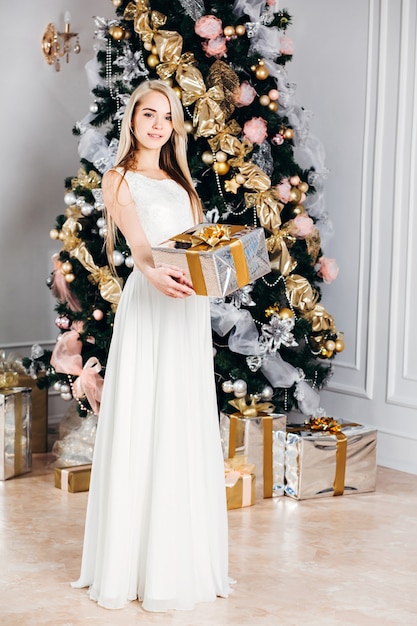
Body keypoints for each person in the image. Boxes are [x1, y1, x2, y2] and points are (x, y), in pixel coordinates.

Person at [71, 80, 232, 612]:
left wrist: (224, 269)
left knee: (181, 419)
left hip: (186, 307)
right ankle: (132, 565)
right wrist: (158, 276)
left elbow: (201, 247)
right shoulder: (118, 178)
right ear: (133, 120)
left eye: (167, 116)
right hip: (151, 299)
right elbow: (141, 250)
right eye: (149, 113)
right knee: (146, 416)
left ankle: (181, 560)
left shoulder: (184, 183)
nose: (158, 124)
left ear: (173, 125)